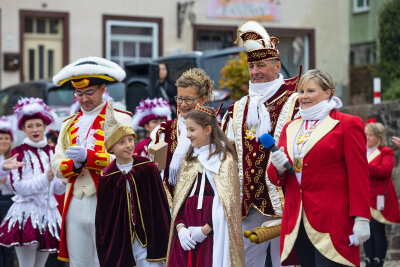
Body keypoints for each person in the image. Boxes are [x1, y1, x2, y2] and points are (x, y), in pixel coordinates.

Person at [267, 69, 371, 266]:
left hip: (334, 220)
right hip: (297, 221)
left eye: (311, 91)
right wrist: (278, 167)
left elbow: (359, 176)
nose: (304, 96)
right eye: (301, 91)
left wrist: (362, 217)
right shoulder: (290, 127)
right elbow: (276, 178)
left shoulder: (347, 124)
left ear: (328, 92)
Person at [221, 21, 300, 267]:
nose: (255, 71)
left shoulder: (297, 101)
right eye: (251, 65)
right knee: (244, 262)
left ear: (277, 66)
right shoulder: (239, 107)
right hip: (248, 203)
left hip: (285, 199)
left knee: (287, 261)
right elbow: (226, 154)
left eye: (261, 65)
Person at [51, 56, 131, 266]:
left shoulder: (120, 119)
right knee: (79, 262)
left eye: (89, 92)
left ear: (103, 89)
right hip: (75, 201)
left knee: (108, 260)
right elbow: (56, 163)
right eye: (79, 94)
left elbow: (126, 160)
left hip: (106, 199)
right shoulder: (68, 124)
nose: (84, 99)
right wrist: (74, 165)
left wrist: (90, 158)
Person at [167, 105, 244, 267]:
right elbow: (180, 198)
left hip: (212, 235)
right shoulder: (189, 160)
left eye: (192, 130)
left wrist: (204, 230)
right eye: (187, 130)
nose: (187, 135)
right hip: (186, 234)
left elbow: (228, 204)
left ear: (208, 129)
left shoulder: (224, 161)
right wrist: (180, 229)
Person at [95, 111, 170, 267]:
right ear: (111, 147)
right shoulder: (107, 176)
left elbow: (159, 204)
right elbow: (105, 219)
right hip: (123, 242)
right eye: (121, 142)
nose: (128, 145)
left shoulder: (147, 167)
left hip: (149, 239)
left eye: (130, 140)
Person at [0, 98, 66, 267]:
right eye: (30, 126)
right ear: (23, 129)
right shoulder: (18, 152)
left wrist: (65, 181)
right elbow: (19, 188)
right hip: (26, 215)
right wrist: (46, 177)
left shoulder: (53, 151)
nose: (35, 130)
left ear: (45, 126)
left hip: (49, 214)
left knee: (40, 265)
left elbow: (56, 189)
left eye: (38, 125)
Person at [150, 68, 213, 202]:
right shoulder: (163, 131)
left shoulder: (212, 131)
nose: (183, 104)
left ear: (202, 100)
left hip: (200, 207)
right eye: (179, 98)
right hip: (169, 207)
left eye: (189, 100)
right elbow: (156, 175)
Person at [363, 122, 400, 267]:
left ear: (378, 137)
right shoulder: (360, 151)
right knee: (365, 230)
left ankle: (378, 260)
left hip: (378, 197)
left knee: (377, 229)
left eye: (370, 135)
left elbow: (385, 171)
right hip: (363, 197)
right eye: (366, 134)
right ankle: (368, 259)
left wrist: (363, 165)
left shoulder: (386, 151)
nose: (367, 137)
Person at [0, 116, 15, 267]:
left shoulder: (14, 158)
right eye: (1, 138)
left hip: (9, 202)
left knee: (7, 242)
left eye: (6, 138)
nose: (4, 141)